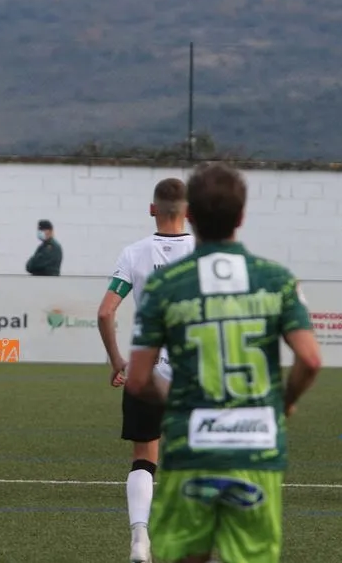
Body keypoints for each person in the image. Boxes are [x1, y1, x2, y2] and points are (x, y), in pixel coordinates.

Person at [126, 161, 321, 563]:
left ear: (191, 217)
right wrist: (284, 401)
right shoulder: (276, 279)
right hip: (256, 445)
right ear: (242, 216)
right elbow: (310, 359)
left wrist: (180, 401)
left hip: (191, 444)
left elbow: (139, 379)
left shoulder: (166, 285)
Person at [96, 177, 195, 563]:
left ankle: (140, 537)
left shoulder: (134, 253)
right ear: (188, 212)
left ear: (153, 209)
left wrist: (116, 361)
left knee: (144, 458)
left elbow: (105, 312)